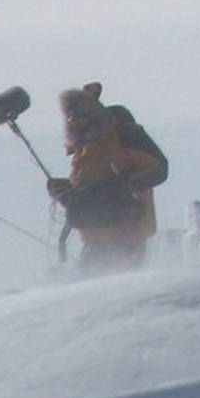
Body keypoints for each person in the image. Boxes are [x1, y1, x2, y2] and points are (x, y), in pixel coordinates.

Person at [46, 83, 169, 273]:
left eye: (81, 114)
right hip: (94, 238)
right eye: (71, 116)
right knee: (90, 287)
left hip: (127, 236)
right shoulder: (84, 151)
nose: (76, 121)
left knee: (112, 289)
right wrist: (67, 193)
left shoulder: (124, 136)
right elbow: (88, 194)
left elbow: (158, 169)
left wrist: (120, 187)